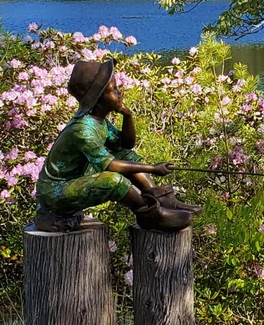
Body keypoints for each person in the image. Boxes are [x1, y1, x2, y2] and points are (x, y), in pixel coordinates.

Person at [35, 58, 198, 231]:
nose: (120, 93)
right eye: (114, 90)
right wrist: (152, 168)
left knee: (124, 155)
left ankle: (163, 199)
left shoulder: (99, 121)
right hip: (55, 192)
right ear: (98, 98)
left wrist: (128, 116)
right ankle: (150, 214)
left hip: (74, 180)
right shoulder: (82, 130)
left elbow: (126, 145)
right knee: (113, 181)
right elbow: (110, 166)